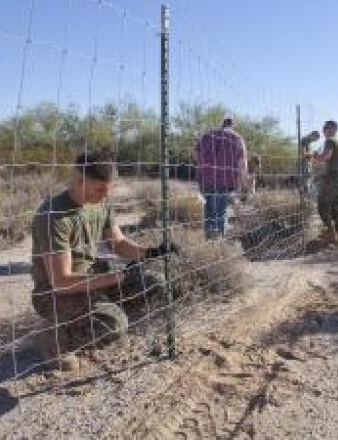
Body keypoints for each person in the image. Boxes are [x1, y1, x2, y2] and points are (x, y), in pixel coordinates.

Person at [30, 150, 167, 371]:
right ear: (79, 180)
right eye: (99, 189)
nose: (105, 195)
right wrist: (116, 277)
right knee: (113, 325)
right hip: (55, 293)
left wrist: (150, 253)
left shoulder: (101, 203)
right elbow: (61, 282)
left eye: (109, 189)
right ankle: (56, 337)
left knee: (155, 284)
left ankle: (95, 316)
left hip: (93, 277)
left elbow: (118, 243)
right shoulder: (54, 216)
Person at [194, 115, 248, 239]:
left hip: (205, 179)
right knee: (221, 213)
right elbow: (242, 164)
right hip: (225, 181)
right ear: (233, 126)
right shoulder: (237, 139)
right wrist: (243, 183)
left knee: (209, 212)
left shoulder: (207, 135)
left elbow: (195, 153)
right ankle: (219, 244)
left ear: (222, 124)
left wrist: (203, 165)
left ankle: (209, 242)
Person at [306, 120, 338, 244]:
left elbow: (326, 156)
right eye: (324, 128)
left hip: (334, 177)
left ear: (335, 128)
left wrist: (312, 156)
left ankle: (330, 232)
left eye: (327, 128)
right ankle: (337, 236)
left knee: (322, 204)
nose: (325, 131)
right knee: (336, 207)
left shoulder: (330, 140)